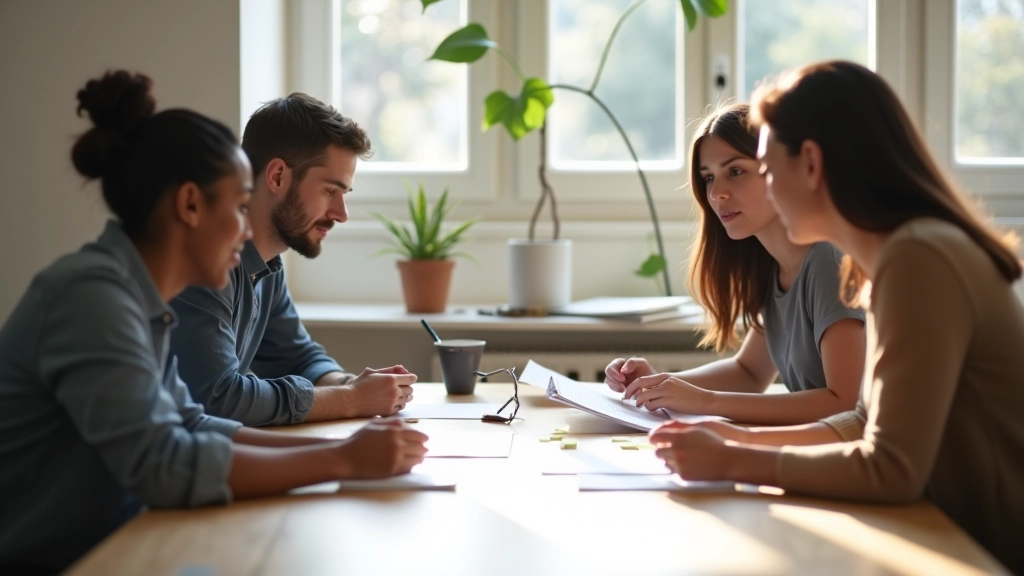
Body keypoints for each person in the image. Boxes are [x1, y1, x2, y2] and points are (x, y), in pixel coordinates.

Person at [0, 71, 428, 575]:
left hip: (118, 544)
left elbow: (191, 423)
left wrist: (340, 449)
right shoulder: (90, 296)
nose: (249, 230)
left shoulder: (137, 300)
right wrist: (341, 461)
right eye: (239, 208)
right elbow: (164, 464)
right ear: (190, 205)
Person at [649, 61, 1024, 573]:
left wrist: (735, 460)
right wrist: (731, 438)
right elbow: (863, 421)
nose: (765, 187)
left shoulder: (920, 259)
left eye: (765, 165)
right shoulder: (897, 256)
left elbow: (892, 469)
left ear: (810, 163)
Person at [605, 103, 866, 426]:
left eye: (736, 171)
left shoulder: (827, 261)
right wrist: (660, 384)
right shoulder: (775, 268)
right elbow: (749, 372)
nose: (717, 194)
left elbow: (845, 402)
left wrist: (707, 402)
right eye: (709, 178)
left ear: (778, 170)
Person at [169, 93, 416, 427]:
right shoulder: (207, 259)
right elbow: (217, 399)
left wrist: (350, 384)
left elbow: (297, 357)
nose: (342, 214)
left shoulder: (267, 266)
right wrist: (351, 400)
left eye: (345, 194)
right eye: (330, 190)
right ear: (277, 177)